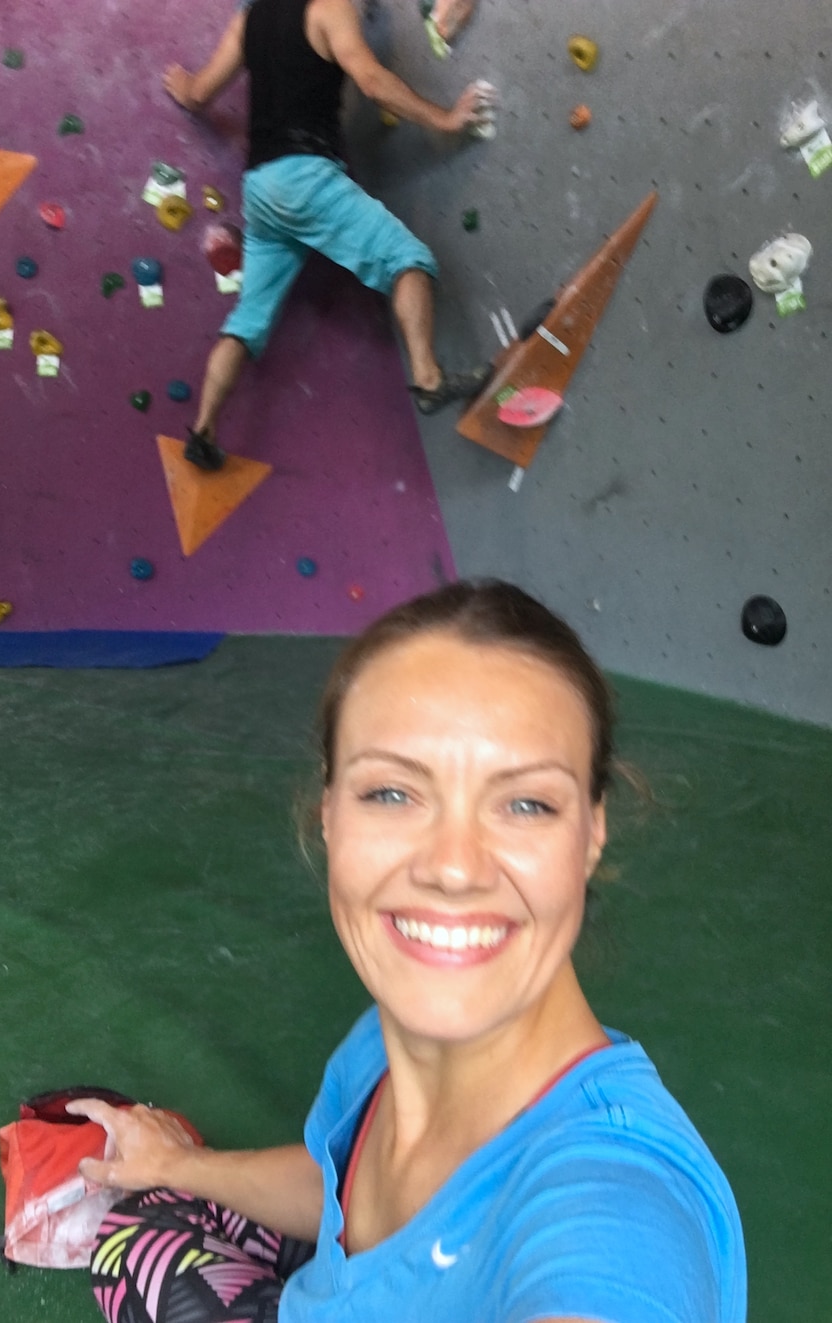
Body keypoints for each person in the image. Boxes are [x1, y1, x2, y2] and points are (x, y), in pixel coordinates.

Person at [72, 579, 748, 1323]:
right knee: (146, 1210)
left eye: (527, 803)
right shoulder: (379, 1043)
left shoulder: (618, 1194)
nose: (454, 866)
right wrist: (178, 1164)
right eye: (392, 793)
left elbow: (610, 1274)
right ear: (328, 811)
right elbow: (339, 1188)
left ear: (591, 832)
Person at [162, 0, 496, 470]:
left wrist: (185, 88)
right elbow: (372, 82)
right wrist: (445, 119)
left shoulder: (249, 19)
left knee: (248, 319)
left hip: (261, 189)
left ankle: (202, 431)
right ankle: (428, 378)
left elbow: (199, 94)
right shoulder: (328, 8)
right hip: (305, 178)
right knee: (408, 260)